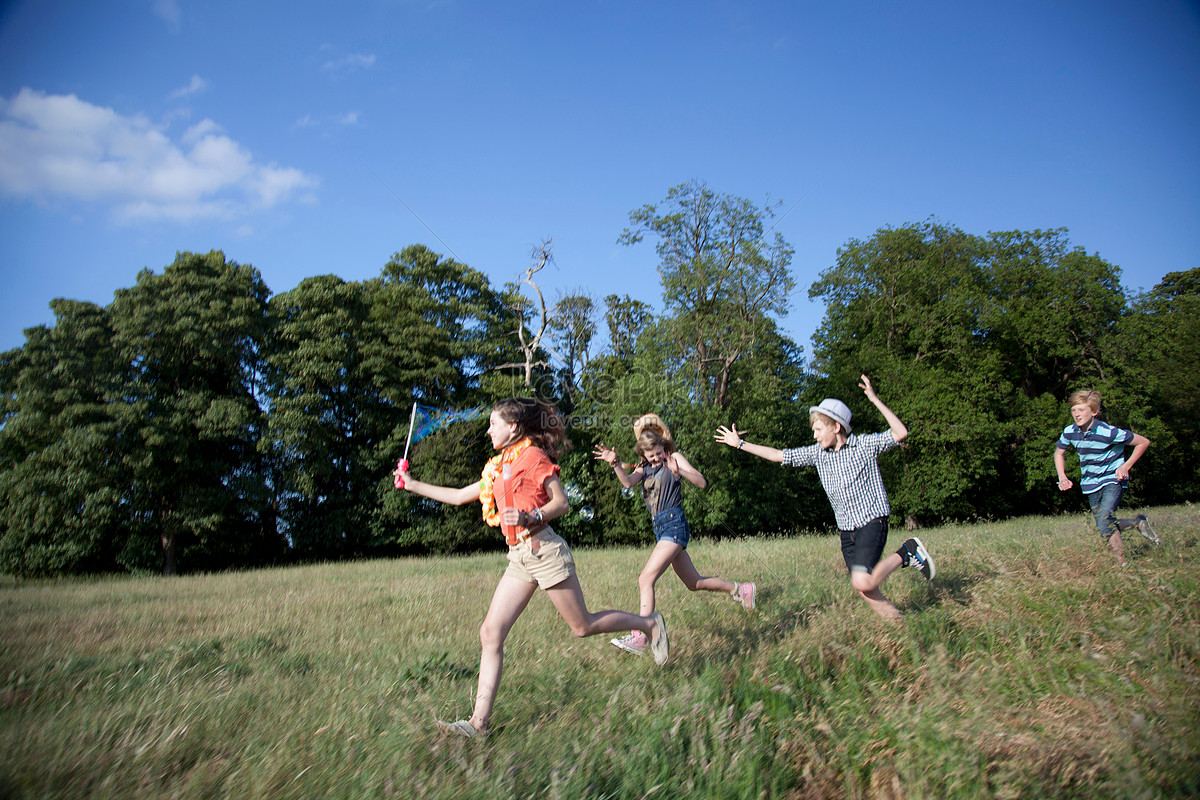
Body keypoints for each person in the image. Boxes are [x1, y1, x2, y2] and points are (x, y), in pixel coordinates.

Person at [394, 397, 669, 739]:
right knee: (490, 632)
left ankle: (649, 624)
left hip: (546, 551)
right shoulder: (497, 466)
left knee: (582, 626)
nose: (488, 429)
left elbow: (561, 503)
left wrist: (529, 516)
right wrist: (411, 484)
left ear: (513, 428)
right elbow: (460, 496)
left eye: (493, 423)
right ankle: (478, 725)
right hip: (520, 557)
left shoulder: (533, 457)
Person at [715, 375, 933, 621]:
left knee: (862, 580)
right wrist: (740, 444)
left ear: (836, 427)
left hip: (872, 521)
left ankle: (908, 551)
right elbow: (778, 455)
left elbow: (900, 432)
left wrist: (874, 399)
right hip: (847, 532)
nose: (815, 435)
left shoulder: (864, 445)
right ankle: (901, 627)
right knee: (865, 589)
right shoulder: (818, 454)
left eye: (818, 429)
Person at [593, 414, 756, 656]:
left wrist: (679, 471)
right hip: (661, 530)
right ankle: (741, 589)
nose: (656, 458)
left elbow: (701, 482)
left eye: (658, 452)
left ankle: (642, 635)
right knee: (694, 582)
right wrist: (615, 463)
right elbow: (627, 483)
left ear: (663, 446)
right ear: (644, 455)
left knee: (645, 579)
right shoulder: (644, 469)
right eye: (651, 456)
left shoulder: (675, 458)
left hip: (674, 525)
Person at [1054, 389, 1157, 566]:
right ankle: (1138, 524)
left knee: (1104, 520)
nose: (1077, 414)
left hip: (1112, 479)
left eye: (1081, 410)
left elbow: (1143, 442)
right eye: (1074, 410)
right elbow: (1058, 453)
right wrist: (1062, 477)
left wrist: (1125, 466)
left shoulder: (1108, 432)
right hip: (1090, 483)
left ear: (1094, 412)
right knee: (1105, 525)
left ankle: (1123, 564)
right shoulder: (1070, 432)